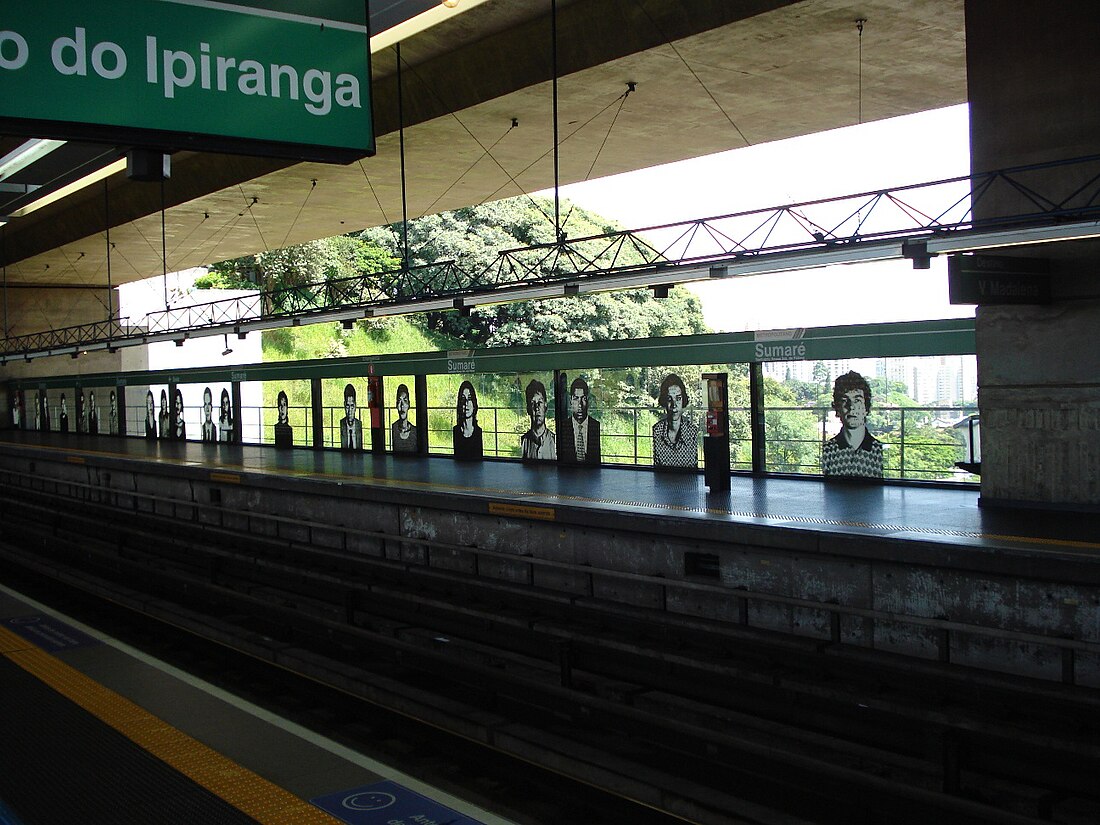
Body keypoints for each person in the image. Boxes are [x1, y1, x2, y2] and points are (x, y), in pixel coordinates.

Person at [821, 370, 883, 478]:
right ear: (837, 408)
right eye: (845, 400)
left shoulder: (878, 449)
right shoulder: (828, 449)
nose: (851, 407)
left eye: (857, 400)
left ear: (866, 407)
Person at [652, 373, 698, 468]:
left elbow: (693, 470)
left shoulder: (692, 431)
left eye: (678, 399)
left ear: (683, 401)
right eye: (669, 399)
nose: (674, 405)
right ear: (664, 401)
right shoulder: (657, 430)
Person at [560, 377, 601, 464]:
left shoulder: (595, 425)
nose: (580, 404)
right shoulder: (563, 426)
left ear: (588, 400)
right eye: (576, 398)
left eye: (583, 398)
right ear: (570, 401)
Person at [521, 379, 556, 461]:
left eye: (540, 402)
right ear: (528, 409)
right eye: (533, 403)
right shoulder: (524, 442)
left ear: (545, 406)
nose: (537, 408)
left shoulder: (555, 441)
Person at [452, 380, 483, 460]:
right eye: (463, 399)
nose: (466, 403)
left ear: (474, 403)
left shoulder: (478, 431)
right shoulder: (456, 430)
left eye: (469, 398)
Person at [391, 383, 417, 453]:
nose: (402, 405)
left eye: (405, 401)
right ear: (396, 404)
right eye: (399, 401)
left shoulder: (415, 431)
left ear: (409, 404)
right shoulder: (392, 428)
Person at [340, 383, 363, 450]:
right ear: (344, 405)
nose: (350, 411)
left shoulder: (359, 425)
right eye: (347, 406)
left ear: (355, 406)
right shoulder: (342, 424)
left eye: (352, 406)